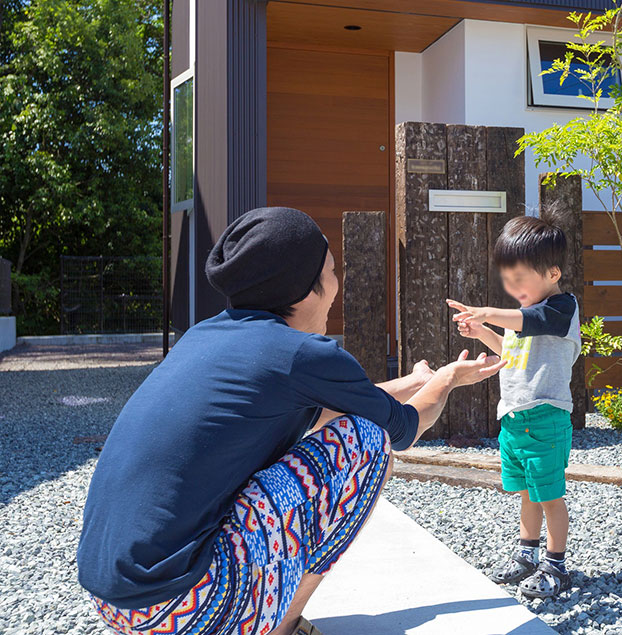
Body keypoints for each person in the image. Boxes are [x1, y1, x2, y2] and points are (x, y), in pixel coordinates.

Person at [77, 207, 505, 635]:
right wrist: (448, 380)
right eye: (332, 270)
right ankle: (282, 625)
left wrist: (413, 380)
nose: (338, 283)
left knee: (349, 432)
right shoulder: (305, 354)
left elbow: (337, 405)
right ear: (306, 290)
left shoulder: (207, 337)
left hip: (118, 604)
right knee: (369, 444)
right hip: (180, 609)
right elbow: (405, 429)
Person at [446, 213, 580, 599]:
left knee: (549, 494)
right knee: (526, 492)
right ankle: (527, 555)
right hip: (514, 418)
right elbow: (514, 351)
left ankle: (555, 565)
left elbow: (535, 321)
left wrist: (488, 312)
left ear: (553, 273)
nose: (513, 285)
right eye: (509, 277)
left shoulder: (562, 307)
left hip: (546, 417)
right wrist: (484, 330)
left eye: (521, 277)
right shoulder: (519, 319)